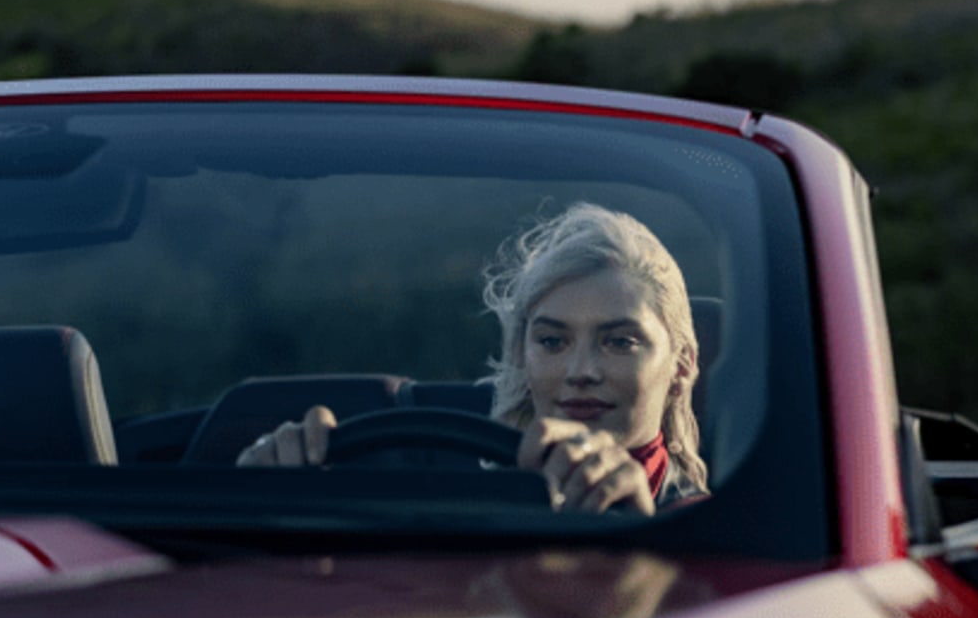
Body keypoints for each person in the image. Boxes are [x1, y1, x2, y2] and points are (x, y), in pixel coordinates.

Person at [237, 203, 709, 515]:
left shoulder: (719, 535)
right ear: (521, 356)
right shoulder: (453, 504)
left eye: (619, 342)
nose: (580, 371)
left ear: (683, 363)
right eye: (551, 341)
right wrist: (279, 499)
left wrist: (644, 537)